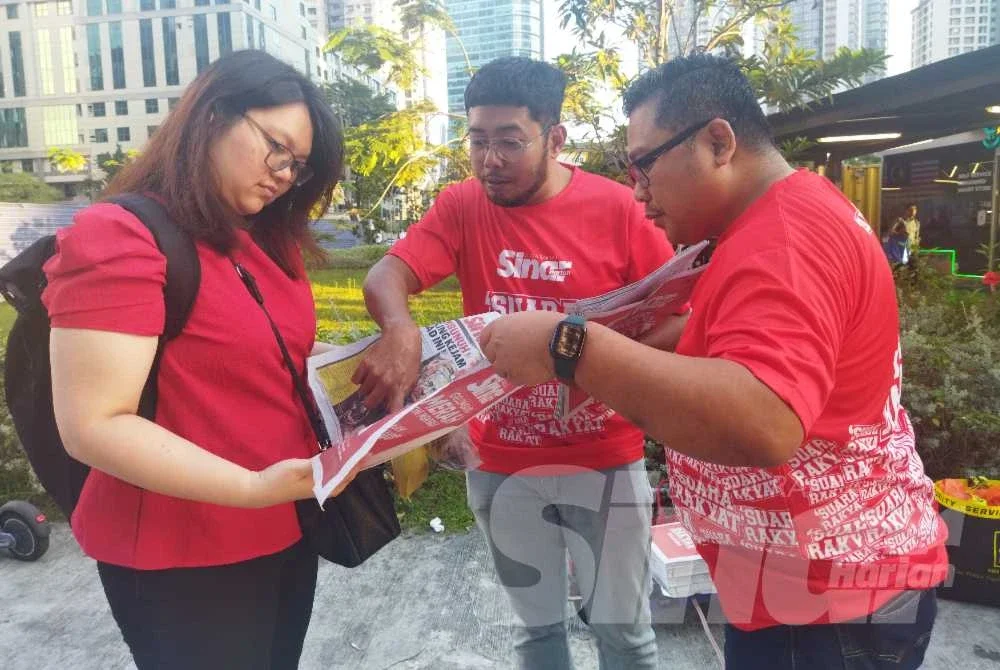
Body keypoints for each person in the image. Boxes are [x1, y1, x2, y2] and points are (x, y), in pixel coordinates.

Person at [479, 54, 949, 669]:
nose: (638, 190)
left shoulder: (784, 242)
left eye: (645, 164)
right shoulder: (773, 221)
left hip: (829, 608)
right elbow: (732, 349)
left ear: (718, 142)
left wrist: (565, 346)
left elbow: (764, 419)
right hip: (805, 591)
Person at [355, 57, 674, 669]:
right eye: (477, 140)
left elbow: (676, 318)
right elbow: (386, 274)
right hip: (499, 461)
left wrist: (599, 364)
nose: (489, 159)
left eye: (510, 142)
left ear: (555, 138)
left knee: (625, 634)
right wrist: (400, 329)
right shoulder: (463, 206)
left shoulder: (620, 210)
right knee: (536, 633)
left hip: (603, 457)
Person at [43, 50, 347, 670]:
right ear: (211, 116)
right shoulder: (120, 236)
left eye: (298, 164)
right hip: (178, 553)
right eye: (276, 147)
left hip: (283, 526)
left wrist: (376, 370)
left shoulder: (262, 242)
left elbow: (273, 355)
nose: (286, 175)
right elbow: (95, 423)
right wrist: (252, 487)